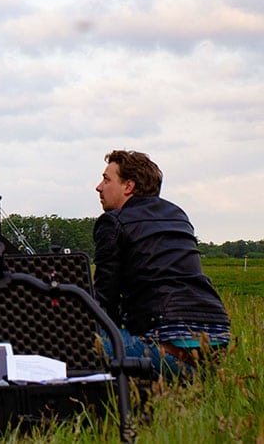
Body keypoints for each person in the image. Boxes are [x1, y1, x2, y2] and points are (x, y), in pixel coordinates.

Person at [93, 150, 231, 380]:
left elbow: (103, 300)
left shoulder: (113, 221)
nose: (99, 187)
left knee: (74, 346)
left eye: (107, 180)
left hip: (166, 345)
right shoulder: (177, 214)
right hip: (217, 340)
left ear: (128, 186)